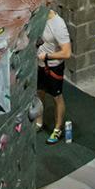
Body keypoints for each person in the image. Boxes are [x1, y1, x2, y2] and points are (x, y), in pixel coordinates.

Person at [36, 8, 71, 144]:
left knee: (57, 97)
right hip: (40, 64)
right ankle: (39, 122)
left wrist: (47, 56)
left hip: (53, 66)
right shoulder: (38, 18)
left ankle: (58, 129)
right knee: (39, 93)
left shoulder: (58, 25)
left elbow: (67, 53)